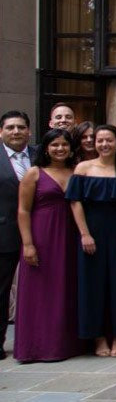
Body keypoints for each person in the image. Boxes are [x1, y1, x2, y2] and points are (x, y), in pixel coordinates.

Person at [13, 129, 80, 362]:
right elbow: (23, 210)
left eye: (64, 145)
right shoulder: (34, 173)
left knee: (65, 289)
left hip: (70, 237)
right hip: (42, 236)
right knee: (40, 292)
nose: (60, 149)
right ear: (46, 148)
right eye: (54, 145)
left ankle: (63, 345)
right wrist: (28, 244)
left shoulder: (75, 171)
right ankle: (35, 347)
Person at [0, 111, 34, 360]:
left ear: (29, 131)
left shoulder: (39, 155)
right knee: (1, 291)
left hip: (40, 232)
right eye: (10, 127)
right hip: (5, 233)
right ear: (1, 131)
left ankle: (35, 340)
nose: (16, 132)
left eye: (21, 127)